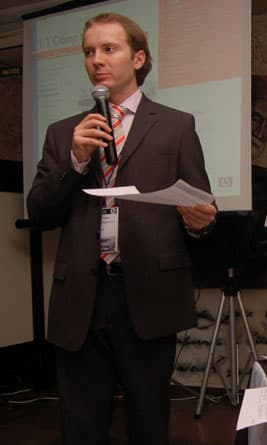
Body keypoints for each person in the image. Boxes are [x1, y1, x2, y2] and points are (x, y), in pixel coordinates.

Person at [26, 13, 217, 444]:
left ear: (138, 58)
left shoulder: (176, 126)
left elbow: (199, 204)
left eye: (109, 49)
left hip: (149, 293)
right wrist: (75, 161)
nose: (96, 60)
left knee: (148, 424)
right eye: (89, 52)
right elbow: (39, 212)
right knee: (81, 427)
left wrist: (201, 221)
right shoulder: (63, 133)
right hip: (81, 296)